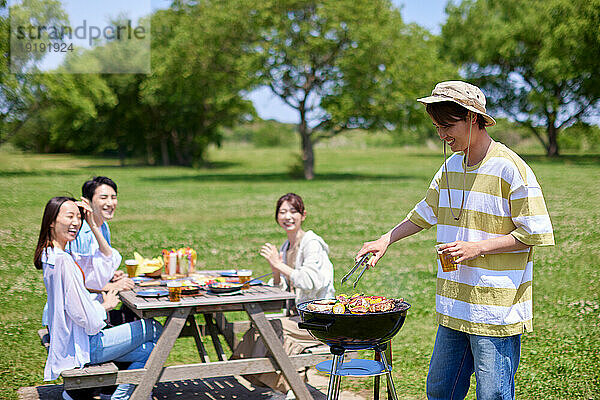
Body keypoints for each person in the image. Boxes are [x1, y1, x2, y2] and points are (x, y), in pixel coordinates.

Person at [356, 81, 554, 400]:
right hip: (455, 303)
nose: (442, 136)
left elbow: (533, 233)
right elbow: (424, 212)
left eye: (448, 126)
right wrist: (385, 239)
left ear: (473, 118)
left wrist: (478, 248)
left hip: (494, 309)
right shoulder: (449, 167)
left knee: (493, 395)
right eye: (437, 126)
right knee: (440, 390)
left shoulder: (510, 168)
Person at [34, 197, 163, 400]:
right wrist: (105, 306)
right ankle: (121, 397)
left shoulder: (50, 254)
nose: (76, 222)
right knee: (154, 328)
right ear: (51, 221)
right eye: (69, 216)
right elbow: (85, 318)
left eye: (78, 217)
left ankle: (121, 397)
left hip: (71, 342)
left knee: (150, 350)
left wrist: (92, 223)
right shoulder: (63, 262)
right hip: (83, 346)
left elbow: (104, 266)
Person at [232, 193, 335, 396]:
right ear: (277, 217)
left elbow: (310, 282)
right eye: (282, 212)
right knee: (261, 325)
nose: (288, 216)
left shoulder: (312, 243)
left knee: (273, 328)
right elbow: (282, 294)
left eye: (293, 211)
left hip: (320, 319)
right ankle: (283, 386)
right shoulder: (286, 247)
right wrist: (277, 271)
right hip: (298, 317)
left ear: (303, 215)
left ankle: (289, 389)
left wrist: (279, 264)